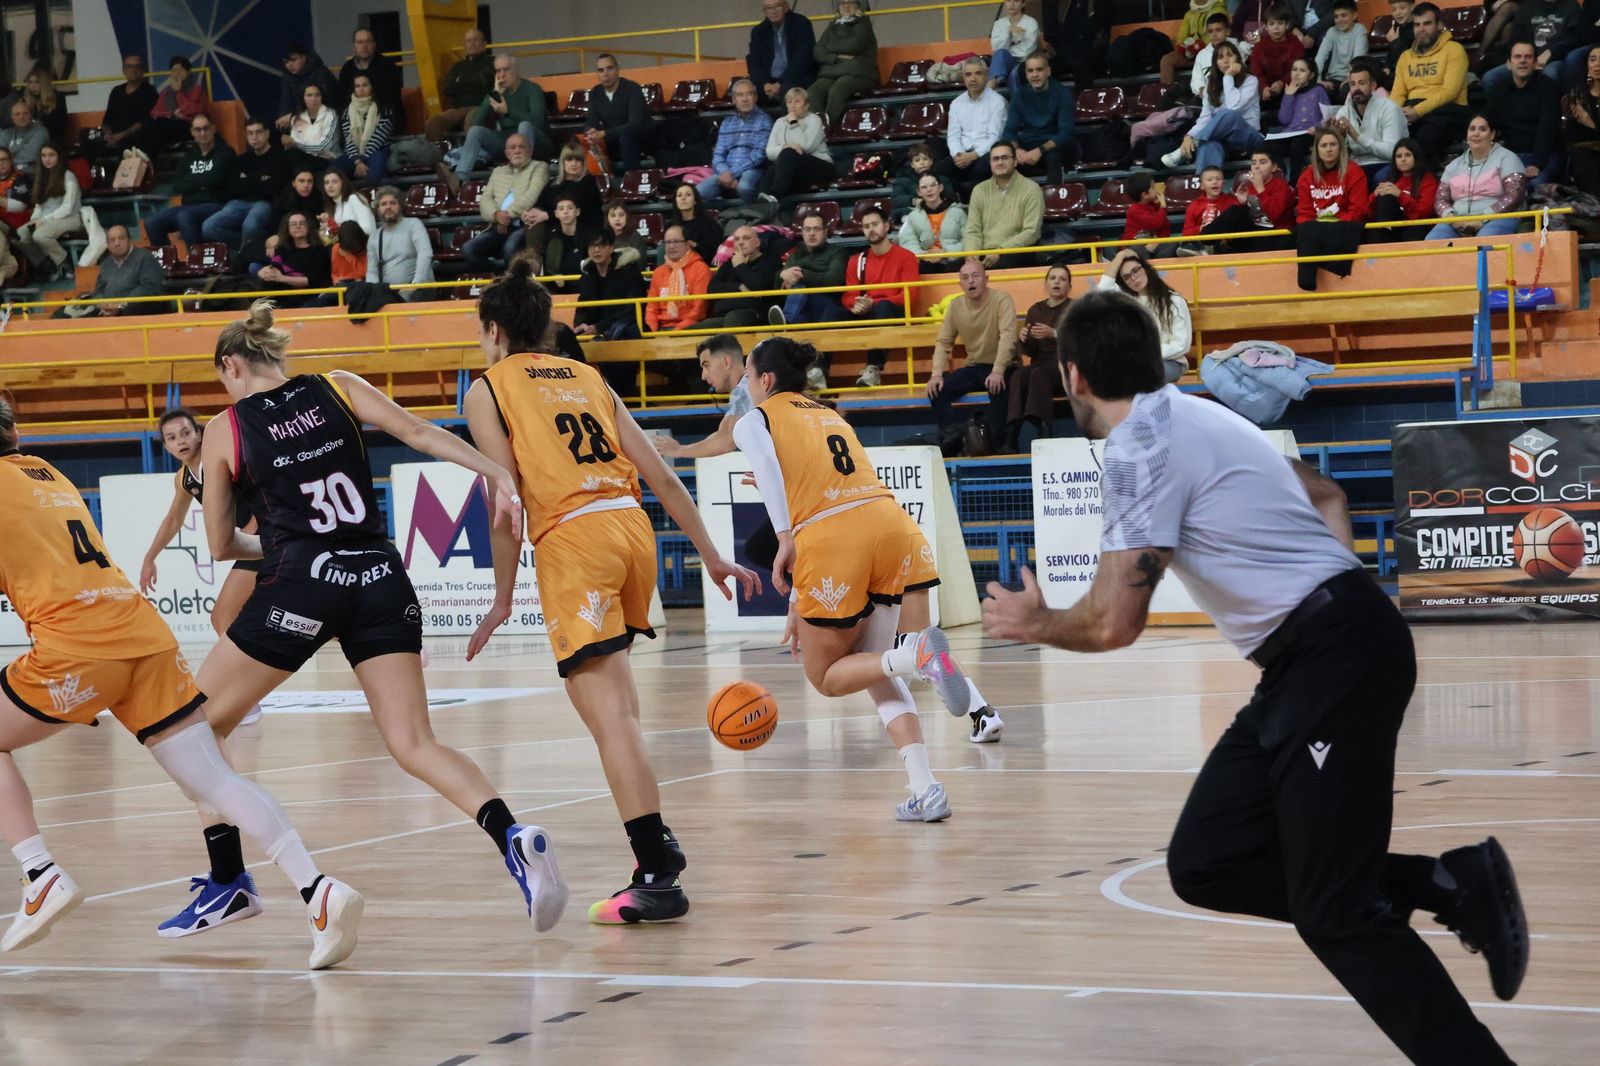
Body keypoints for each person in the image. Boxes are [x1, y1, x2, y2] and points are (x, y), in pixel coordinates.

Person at [981, 287, 1528, 1066]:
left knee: (1336, 914)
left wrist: (1034, 622)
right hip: (1320, 653)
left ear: (1072, 376)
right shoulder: (1203, 414)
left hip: (1331, 657)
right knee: (1206, 860)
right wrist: (1330, 595)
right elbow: (1328, 494)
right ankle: (1448, 883)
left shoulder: (1138, 449)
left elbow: (1112, 624)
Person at [155, 300, 568, 941]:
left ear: (231, 366)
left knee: (192, 733)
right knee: (414, 743)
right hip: (380, 573)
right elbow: (420, 432)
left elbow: (220, 544)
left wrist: (287, 547)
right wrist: (497, 472)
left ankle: (231, 879)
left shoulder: (225, 427)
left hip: (303, 583)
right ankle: (512, 836)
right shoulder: (339, 385)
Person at [0, 396, 363, 969]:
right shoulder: (46, 471)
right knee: (214, 779)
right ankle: (318, 891)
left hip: (80, 646)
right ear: (15, 434)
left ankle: (39, 873)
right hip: (143, 635)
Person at [464, 262, 757, 923]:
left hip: (576, 541)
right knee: (617, 706)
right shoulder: (588, 376)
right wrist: (711, 555)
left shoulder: (488, 388)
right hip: (630, 529)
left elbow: (503, 499)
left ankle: (656, 869)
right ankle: (655, 840)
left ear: (495, 332)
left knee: (608, 716)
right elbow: (662, 475)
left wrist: (502, 597)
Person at [734, 335, 978, 819]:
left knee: (827, 676)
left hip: (836, 538)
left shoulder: (754, 419)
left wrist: (783, 537)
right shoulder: (828, 414)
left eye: (746, 374)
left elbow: (770, 472)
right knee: (874, 666)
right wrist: (798, 597)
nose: (744, 383)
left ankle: (916, 655)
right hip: (891, 525)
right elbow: (814, 487)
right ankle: (925, 787)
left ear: (765, 379)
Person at [138, 409, 264, 729]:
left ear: (198, 433)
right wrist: (150, 557)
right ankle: (247, 697)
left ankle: (246, 698)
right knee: (228, 617)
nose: (180, 440)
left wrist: (249, 534)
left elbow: (264, 490)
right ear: (165, 446)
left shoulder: (220, 457)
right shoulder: (184, 479)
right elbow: (173, 519)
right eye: (171, 437)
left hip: (268, 536)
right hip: (255, 545)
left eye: (185, 433)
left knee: (223, 616)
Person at [810, 204, 918, 388]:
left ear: (886, 226)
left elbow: (910, 296)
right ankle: (819, 370)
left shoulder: (906, 257)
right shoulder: (856, 260)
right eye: (866, 226)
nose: (871, 229)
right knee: (831, 312)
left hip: (892, 313)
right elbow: (848, 296)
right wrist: (856, 305)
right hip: (864, 312)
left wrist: (873, 303)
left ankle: (873, 369)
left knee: (884, 307)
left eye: (875, 224)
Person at [927, 258, 1017, 452]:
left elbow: (1009, 337)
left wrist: (998, 370)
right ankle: (954, 441)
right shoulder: (955, 306)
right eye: (965, 278)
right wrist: (936, 374)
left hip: (1004, 366)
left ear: (986, 279)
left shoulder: (1002, 299)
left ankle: (999, 446)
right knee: (937, 391)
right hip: (975, 366)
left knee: (999, 388)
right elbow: (943, 342)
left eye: (975, 276)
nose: (971, 281)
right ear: (960, 284)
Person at [454, 54, 552, 188]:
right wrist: (494, 93)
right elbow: (476, 122)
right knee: (476, 131)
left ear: (516, 70)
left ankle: (522, 176)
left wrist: (508, 111)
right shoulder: (499, 92)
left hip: (536, 143)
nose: (502, 75)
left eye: (506, 69)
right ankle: (459, 180)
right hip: (508, 143)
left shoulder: (532, 89)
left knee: (524, 126)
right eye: (498, 71)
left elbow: (538, 121)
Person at [1163, 42, 1262, 171]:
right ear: (1215, 63)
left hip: (1248, 137)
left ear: (1238, 58)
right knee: (1208, 145)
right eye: (1220, 57)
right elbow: (1204, 119)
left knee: (1229, 114)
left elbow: (1233, 107)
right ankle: (1205, 182)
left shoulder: (1250, 81)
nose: (1226, 60)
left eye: (1230, 55)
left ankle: (1195, 143)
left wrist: (1228, 77)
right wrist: (1189, 136)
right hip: (1223, 141)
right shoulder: (1211, 88)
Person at [1390, 3, 1469, 163]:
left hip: (1448, 110)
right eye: (1417, 25)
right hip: (1413, 110)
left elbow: (1449, 92)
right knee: (1393, 138)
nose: (1421, 29)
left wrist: (1417, 111)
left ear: (1439, 25)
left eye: (1427, 24)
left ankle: (1424, 177)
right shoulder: (1405, 57)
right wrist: (1393, 115)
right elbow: (1398, 94)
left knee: (1424, 138)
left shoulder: (1454, 50)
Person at [1098, 248, 1192, 382]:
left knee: (1140, 376)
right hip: (1135, 362)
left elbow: (1181, 345)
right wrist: (1120, 256)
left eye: (1135, 271)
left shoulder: (1174, 301)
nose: (1133, 278)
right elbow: (1102, 291)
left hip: (1168, 361)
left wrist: (1145, 353)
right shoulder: (1127, 300)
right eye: (1127, 277)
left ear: (1145, 269)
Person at [1428, 114, 1527, 240]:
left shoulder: (1507, 158)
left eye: (1482, 129)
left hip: (1498, 218)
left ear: (1492, 134)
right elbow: (1440, 200)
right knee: (1432, 240)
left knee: (1483, 242)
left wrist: (1483, 218)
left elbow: (1514, 196)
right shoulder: (1453, 165)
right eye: (1472, 129)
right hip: (1457, 222)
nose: (1476, 133)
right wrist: (1452, 219)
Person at [654, 334, 753, 458]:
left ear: (726, 362)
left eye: (707, 365)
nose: (703, 376)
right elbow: (723, 433)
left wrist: (679, 450)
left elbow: (727, 440)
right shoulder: (745, 387)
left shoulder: (747, 388)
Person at [1296, 126, 1368, 290]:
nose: (1328, 149)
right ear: (1317, 150)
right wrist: (1317, 224)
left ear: (1340, 147)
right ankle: (1306, 281)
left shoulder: (1354, 172)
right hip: (1316, 228)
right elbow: (1304, 213)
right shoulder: (1307, 176)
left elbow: (1358, 210)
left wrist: (1332, 221)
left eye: (1333, 144)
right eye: (1324, 145)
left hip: (1344, 226)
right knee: (1304, 230)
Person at [1008, 263, 1072, 449]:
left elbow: (1081, 341)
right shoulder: (1035, 310)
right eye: (1053, 278)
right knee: (1018, 375)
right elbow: (1030, 351)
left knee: (1038, 374)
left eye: (1062, 279)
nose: (1057, 282)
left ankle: (1045, 432)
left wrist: (1054, 333)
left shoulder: (1075, 308)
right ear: (1046, 284)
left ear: (1069, 286)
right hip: (1040, 363)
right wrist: (1024, 338)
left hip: (1066, 365)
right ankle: (1012, 434)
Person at [202, 117, 290, 251]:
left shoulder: (280, 157)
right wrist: (260, 180)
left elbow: (275, 188)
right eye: (250, 133)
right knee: (208, 227)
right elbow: (233, 187)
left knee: (250, 225)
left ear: (267, 133)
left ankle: (246, 253)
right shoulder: (242, 159)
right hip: (239, 202)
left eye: (258, 132)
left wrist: (247, 180)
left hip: (265, 203)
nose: (254, 137)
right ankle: (253, 245)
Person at [1486, 40, 1563, 189]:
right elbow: (1490, 121)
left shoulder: (1549, 87)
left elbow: (1547, 129)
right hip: (1511, 155)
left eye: (1528, 57)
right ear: (1509, 64)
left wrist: (1536, 163)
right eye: (1517, 57)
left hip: (1545, 154)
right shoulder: (1499, 89)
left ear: (1535, 63)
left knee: (1534, 185)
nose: (1522, 61)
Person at [463, 133, 546, 272]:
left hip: (524, 225)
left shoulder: (539, 167)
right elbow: (485, 199)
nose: (517, 150)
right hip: (498, 226)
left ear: (530, 150)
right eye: (513, 148)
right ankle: (499, 278)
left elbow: (531, 196)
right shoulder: (498, 172)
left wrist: (506, 216)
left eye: (521, 147)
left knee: (510, 249)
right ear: (507, 153)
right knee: (468, 249)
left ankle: (512, 281)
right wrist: (496, 215)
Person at [964, 143, 1046, 269]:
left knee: (1000, 267)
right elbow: (973, 230)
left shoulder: (1031, 189)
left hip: (1017, 252)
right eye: (995, 159)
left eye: (1005, 158)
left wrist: (1001, 251)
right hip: (985, 252)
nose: (1000, 162)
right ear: (990, 163)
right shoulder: (979, 190)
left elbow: (1032, 232)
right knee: (954, 270)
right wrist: (972, 256)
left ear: (1015, 162)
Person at [53, 225, 164, 317]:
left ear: (130, 240)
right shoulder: (106, 264)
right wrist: (103, 304)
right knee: (61, 313)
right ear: (108, 245)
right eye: (112, 240)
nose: (117, 243)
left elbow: (148, 288)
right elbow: (99, 290)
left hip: (132, 308)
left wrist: (120, 305)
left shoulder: (145, 257)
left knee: (130, 309)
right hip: (107, 309)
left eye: (121, 238)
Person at [1003, 52, 1076, 185]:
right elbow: (1009, 131)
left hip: (1055, 145)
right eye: (1030, 71)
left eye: (1039, 70)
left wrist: (1040, 150)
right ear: (1026, 74)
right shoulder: (1020, 95)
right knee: (1004, 158)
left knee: (1054, 157)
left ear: (1048, 71)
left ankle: (1053, 197)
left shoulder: (1062, 93)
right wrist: (1017, 150)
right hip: (1028, 144)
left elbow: (1066, 132)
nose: (1035, 75)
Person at [11, 144, 80, 283]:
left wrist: (44, 220)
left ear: (59, 157)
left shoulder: (68, 176)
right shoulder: (41, 176)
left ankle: (65, 264)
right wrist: (35, 219)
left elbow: (67, 207)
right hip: (47, 219)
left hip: (70, 217)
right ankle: (47, 264)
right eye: (43, 156)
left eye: (51, 155)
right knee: (19, 236)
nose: (46, 159)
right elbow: (39, 205)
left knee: (40, 235)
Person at [697, 79, 773, 204]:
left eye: (749, 94)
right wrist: (725, 172)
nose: (745, 99)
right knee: (698, 192)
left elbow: (759, 155)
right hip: (726, 171)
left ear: (755, 98)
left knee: (744, 187)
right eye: (740, 95)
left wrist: (732, 173)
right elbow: (718, 155)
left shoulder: (764, 120)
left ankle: (755, 214)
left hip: (752, 169)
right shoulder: (727, 123)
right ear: (734, 99)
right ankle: (724, 214)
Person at [1484, 0, 1585, 93]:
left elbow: (1573, 39)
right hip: (1527, 56)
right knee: (1490, 78)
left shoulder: (1571, 5)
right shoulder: (1527, 5)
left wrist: (1550, 52)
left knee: (1549, 74)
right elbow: (1516, 37)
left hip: (1556, 59)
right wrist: (1528, 58)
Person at [939, 59, 1007, 195]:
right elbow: (953, 136)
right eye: (968, 74)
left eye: (978, 73)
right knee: (938, 172)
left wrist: (973, 155)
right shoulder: (956, 103)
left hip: (986, 154)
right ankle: (962, 197)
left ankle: (974, 203)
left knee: (981, 168)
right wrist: (958, 155)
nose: (973, 79)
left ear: (986, 75)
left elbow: (995, 137)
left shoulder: (998, 102)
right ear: (963, 78)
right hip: (963, 154)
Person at [1330, 58, 1407, 175]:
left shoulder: (1389, 108)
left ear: (1373, 85)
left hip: (1385, 164)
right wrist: (1340, 138)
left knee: (1381, 177)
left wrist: (1357, 137)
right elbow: (1339, 154)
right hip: (1356, 166)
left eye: (1362, 83)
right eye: (1352, 84)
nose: (1356, 88)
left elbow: (1392, 151)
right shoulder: (1344, 111)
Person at [758, 87, 836, 201]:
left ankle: (775, 195)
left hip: (820, 166)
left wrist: (794, 122)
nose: (793, 106)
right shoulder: (780, 122)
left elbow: (806, 147)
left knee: (788, 154)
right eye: (789, 102)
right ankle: (763, 201)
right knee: (774, 167)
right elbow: (769, 152)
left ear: (806, 105)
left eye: (797, 101)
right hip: (793, 168)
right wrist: (785, 147)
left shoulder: (814, 120)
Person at [771, 210, 848, 324]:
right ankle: (789, 322)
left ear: (825, 231)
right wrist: (782, 274)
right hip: (801, 308)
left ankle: (786, 322)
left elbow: (834, 279)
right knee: (796, 291)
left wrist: (802, 274)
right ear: (802, 232)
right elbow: (777, 286)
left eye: (817, 229)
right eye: (807, 229)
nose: (811, 233)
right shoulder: (795, 255)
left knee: (799, 287)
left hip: (826, 303)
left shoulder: (837, 252)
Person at [809, 0, 879, 124]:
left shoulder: (863, 23)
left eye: (850, 2)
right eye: (842, 3)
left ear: (858, 5)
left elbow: (853, 46)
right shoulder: (833, 25)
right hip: (832, 73)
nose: (846, 6)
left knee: (838, 89)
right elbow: (818, 51)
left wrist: (829, 49)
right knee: (813, 92)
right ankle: (819, 126)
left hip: (859, 74)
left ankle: (828, 126)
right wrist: (836, 57)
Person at [574, 227, 648, 341]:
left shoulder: (629, 272)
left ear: (611, 248)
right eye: (592, 246)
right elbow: (582, 306)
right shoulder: (587, 275)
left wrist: (600, 327)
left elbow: (631, 310)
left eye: (601, 245)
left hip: (625, 329)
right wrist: (581, 324)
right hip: (596, 330)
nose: (596, 250)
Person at [703, 224, 782, 328]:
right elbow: (712, 288)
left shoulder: (770, 260)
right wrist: (739, 287)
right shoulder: (729, 264)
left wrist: (740, 265)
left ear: (757, 243)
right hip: (723, 315)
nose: (740, 242)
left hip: (754, 314)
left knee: (733, 319)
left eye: (746, 238)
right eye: (737, 239)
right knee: (690, 331)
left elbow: (759, 286)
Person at [585, 54, 651, 174]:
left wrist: (604, 133)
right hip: (612, 140)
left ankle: (631, 180)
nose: (606, 74)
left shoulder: (632, 88)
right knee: (583, 140)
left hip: (638, 139)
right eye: (601, 70)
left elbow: (634, 125)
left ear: (617, 70)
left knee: (626, 137)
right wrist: (591, 132)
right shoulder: (595, 92)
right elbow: (590, 121)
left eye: (610, 68)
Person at [427, 28, 495, 141]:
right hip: (457, 108)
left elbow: (484, 83)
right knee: (433, 123)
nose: (472, 44)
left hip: (480, 106)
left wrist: (460, 81)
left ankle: (471, 151)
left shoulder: (492, 62)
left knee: (472, 120)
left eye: (476, 40)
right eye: (468, 41)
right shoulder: (457, 67)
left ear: (484, 44)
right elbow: (447, 88)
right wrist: (473, 82)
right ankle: (439, 151)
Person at [366, 186, 434, 296]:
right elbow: (372, 270)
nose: (388, 207)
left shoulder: (414, 224)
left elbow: (425, 254)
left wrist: (415, 284)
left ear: (400, 206)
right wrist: (373, 292)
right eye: (383, 204)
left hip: (419, 288)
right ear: (378, 209)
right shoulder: (375, 236)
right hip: (389, 292)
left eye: (392, 203)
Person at [749, 0, 819, 105]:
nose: (773, 11)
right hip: (768, 81)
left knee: (788, 91)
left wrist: (780, 83)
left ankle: (789, 117)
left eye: (777, 6)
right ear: (764, 11)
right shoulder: (758, 31)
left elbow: (803, 59)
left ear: (786, 7)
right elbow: (754, 61)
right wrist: (765, 84)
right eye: (768, 8)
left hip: (795, 77)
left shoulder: (801, 23)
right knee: (746, 91)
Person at [645, 223, 712, 333]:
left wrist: (677, 331)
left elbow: (699, 310)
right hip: (660, 329)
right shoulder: (658, 272)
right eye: (668, 242)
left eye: (676, 242)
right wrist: (651, 332)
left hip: (690, 329)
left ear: (687, 244)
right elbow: (651, 309)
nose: (672, 246)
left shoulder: (701, 269)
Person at [254, 211, 331, 302]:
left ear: (308, 226)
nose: (298, 226)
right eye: (293, 224)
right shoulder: (283, 249)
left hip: (309, 293)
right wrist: (263, 273)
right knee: (267, 285)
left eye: (302, 223)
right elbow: (274, 270)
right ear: (288, 228)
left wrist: (281, 278)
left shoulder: (319, 250)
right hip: (285, 291)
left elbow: (309, 281)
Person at [1368, 137, 1437, 238]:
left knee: (1415, 232)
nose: (1403, 159)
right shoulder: (1390, 180)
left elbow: (1423, 213)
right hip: (1394, 227)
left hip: (1417, 226)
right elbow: (1369, 214)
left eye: (1407, 155)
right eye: (1399, 156)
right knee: (1372, 230)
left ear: (1416, 157)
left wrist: (1400, 195)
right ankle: (1383, 236)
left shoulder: (1427, 180)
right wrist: (1375, 195)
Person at [523, 193, 592, 289]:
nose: (565, 212)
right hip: (558, 287)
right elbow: (548, 267)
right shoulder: (552, 237)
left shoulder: (588, 235)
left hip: (585, 284)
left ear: (577, 212)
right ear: (556, 214)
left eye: (570, 208)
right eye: (561, 209)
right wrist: (555, 276)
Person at [1042, 0, 1115, 89]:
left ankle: (1086, 98)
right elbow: (1049, 34)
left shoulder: (1100, 3)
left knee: (1081, 65)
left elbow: (1092, 27)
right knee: (1034, 67)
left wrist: (1070, 32)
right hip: (1062, 52)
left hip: (1091, 52)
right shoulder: (1060, 3)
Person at [338, 73, 396, 183]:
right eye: (357, 86)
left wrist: (361, 160)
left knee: (376, 170)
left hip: (378, 150)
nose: (361, 89)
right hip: (355, 155)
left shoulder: (384, 109)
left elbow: (377, 140)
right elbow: (349, 140)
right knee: (334, 168)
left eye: (365, 85)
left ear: (372, 86)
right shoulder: (347, 112)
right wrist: (357, 161)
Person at [897, 172, 967, 261]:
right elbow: (908, 242)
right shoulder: (913, 216)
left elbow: (968, 239)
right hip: (925, 260)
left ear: (940, 188)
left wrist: (946, 253)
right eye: (924, 187)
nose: (929, 190)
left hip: (954, 260)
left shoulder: (958, 212)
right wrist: (922, 255)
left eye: (933, 185)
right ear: (919, 192)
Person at [1251, 5, 1307, 108]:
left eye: (1280, 23)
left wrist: (1281, 83)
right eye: (1271, 24)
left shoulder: (1296, 44)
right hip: (1265, 89)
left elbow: (1299, 70)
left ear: (1287, 25)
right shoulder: (1259, 46)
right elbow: (1257, 72)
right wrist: (1264, 88)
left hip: (1291, 86)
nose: (1276, 28)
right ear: (1266, 27)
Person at [275, 43, 339, 134]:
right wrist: (284, 131)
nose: (290, 65)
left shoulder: (321, 74)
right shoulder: (287, 76)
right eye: (286, 62)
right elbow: (285, 102)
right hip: (300, 126)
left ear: (304, 58)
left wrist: (293, 117)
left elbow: (326, 105)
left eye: (294, 59)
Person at [101, 55, 158, 156]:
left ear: (142, 70)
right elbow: (107, 119)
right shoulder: (116, 91)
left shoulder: (150, 91)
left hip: (135, 138)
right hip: (113, 138)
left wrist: (122, 135)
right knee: (87, 146)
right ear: (124, 71)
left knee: (125, 147)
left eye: (137, 66)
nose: (133, 70)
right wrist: (107, 134)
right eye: (129, 66)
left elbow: (145, 120)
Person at [337, 28, 403, 115]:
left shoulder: (388, 66)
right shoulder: (347, 69)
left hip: (384, 115)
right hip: (354, 117)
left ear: (374, 45)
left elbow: (392, 99)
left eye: (368, 41)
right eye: (360, 42)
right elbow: (343, 100)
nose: (364, 46)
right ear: (354, 46)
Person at [150, 56, 207, 148]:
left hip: (191, 127)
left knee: (162, 125)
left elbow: (188, 110)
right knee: (153, 125)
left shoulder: (197, 89)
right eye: (174, 71)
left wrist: (178, 92)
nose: (177, 73)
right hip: (168, 126)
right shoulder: (166, 92)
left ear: (189, 72)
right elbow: (154, 112)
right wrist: (172, 114)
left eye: (180, 70)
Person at [1314, 0, 1367, 93]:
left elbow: (1358, 60)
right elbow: (1321, 56)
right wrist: (1317, 79)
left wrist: (1349, 79)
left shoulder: (1359, 29)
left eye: (1344, 15)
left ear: (1354, 15)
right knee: (1319, 90)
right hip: (1333, 78)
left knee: (1346, 91)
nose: (1340, 20)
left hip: (1354, 77)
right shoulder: (1332, 31)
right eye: (1336, 16)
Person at [1567, 48, 1600, 195]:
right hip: (1587, 156)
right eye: (1593, 59)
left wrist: (1591, 124)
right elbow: (1570, 139)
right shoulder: (1577, 95)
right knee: (1580, 154)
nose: (1597, 64)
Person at [1190, 14, 1247, 100]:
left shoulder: (1237, 48)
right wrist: (1202, 90)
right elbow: (1196, 80)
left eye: (1218, 30)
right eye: (1210, 31)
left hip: (1235, 93)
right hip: (1209, 96)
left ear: (1228, 31)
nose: (1214, 34)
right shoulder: (1202, 54)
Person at [664, 182, 724, 262]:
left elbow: (715, 256)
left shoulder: (709, 225)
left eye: (688, 195)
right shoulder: (670, 227)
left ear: (695, 200)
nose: (683, 198)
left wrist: (695, 246)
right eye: (679, 195)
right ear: (676, 201)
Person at [988, 0, 1041, 90]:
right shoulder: (999, 24)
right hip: (1005, 61)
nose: (1011, 4)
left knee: (1014, 74)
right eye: (1008, 1)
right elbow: (997, 49)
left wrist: (1010, 47)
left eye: (1016, 1)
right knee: (1000, 54)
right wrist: (1008, 33)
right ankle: (992, 84)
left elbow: (1026, 52)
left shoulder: (1031, 23)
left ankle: (997, 80)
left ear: (1023, 3)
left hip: (1024, 62)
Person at [285, 83, 340, 165]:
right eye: (309, 95)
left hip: (327, 159)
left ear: (322, 97)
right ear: (303, 98)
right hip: (302, 158)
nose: (313, 99)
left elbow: (324, 146)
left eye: (317, 95)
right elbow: (291, 144)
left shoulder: (331, 115)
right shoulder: (296, 119)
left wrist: (297, 145)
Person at [8, 67, 64, 142]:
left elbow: (60, 125)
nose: (33, 86)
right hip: (28, 138)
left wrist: (40, 123)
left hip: (51, 138)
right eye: (30, 82)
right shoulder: (24, 100)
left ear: (44, 83)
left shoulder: (57, 98)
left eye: (37, 82)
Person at [319, 168, 375, 241]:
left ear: (343, 183)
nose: (330, 186)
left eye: (334, 182)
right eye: (327, 183)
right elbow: (329, 241)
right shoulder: (333, 206)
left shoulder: (354, 198)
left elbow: (368, 229)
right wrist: (325, 226)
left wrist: (339, 230)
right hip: (343, 246)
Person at [1, 102, 47, 173]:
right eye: (17, 114)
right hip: (7, 174)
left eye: (25, 113)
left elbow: (30, 156)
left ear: (31, 115)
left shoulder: (41, 131)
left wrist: (7, 159)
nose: (21, 117)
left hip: (31, 174)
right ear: (12, 117)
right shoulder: (5, 133)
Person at [0, 147, 30, 234]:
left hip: (15, 224)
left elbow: (20, 207)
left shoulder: (20, 177)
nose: (1, 163)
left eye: (4, 159)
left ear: (11, 161)